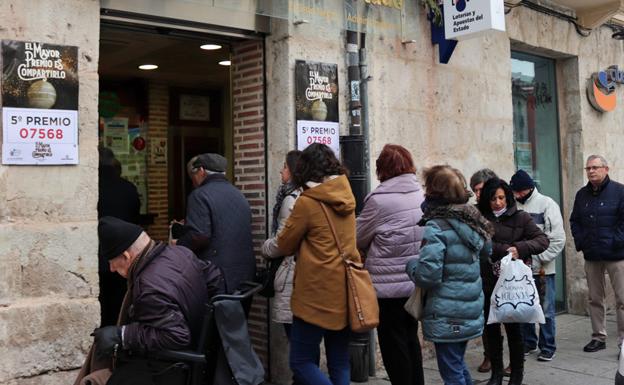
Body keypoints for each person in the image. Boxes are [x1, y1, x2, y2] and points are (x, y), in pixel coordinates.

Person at [75, 216, 222, 385]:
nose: (111, 268)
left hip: (170, 369)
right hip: (198, 354)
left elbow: (176, 336)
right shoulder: (180, 252)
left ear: (126, 256)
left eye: (112, 261)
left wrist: (122, 335)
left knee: (99, 378)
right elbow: (214, 277)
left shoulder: (149, 287)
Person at [271, 143, 356, 385]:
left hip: (315, 291)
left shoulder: (307, 202)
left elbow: (285, 244)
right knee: (339, 360)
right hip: (345, 288)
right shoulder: (347, 195)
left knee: (300, 361)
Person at [405, 165, 493, 385]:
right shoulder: (471, 219)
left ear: (434, 192)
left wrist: (411, 265)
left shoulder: (437, 225)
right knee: (457, 364)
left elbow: (428, 275)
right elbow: (486, 252)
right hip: (469, 308)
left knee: (452, 371)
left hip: (446, 311)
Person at [356, 144, 425, 385]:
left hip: (387, 287)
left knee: (393, 346)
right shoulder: (420, 194)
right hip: (415, 282)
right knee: (410, 339)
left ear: (382, 169)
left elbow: (358, 236)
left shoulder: (379, 200)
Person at [478, 177, 549, 385]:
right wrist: (503, 249)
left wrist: (520, 249)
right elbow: (481, 245)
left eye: (501, 198)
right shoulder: (480, 218)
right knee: (491, 330)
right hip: (487, 281)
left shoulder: (521, 217)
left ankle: (516, 375)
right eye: (493, 199)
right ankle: (496, 374)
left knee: (514, 331)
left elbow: (542, 240)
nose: (498, 203)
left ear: (508, 197)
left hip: (513, 285)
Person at [176, 153, 255, 295]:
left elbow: (199, 236)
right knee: (237, 317)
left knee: (214, 316)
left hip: (218, 277)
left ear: (201, 171)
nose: (193, 180)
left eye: (193, 175)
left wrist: (177, 245)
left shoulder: (199, 195)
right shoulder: (238, 194)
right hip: (245, 276)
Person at [510, 169, 566, 362]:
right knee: (524, 308)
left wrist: (539, 258)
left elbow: (558, 239)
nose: (516, 195)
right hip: (521, 268)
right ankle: (529, 342)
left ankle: (548, 346)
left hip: (543, 269)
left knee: (546, 309)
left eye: (518, 192)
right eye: (514, 192)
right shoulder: (514, 206)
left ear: (528, 189)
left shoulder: (547, 204)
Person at [570, 154, 624, 353]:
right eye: (588, 168)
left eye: (595, 167)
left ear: (606, 169)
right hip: (592, 254)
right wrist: (582, 242)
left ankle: (623, 342)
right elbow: (574, 220)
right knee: (594, 298)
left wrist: (615, 241)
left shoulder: (620, 191)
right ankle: (598, 336)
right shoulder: (581, 195)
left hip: (617, 255)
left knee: (622, 299)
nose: (591, 171)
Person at [97, 146, 141, 327]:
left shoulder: (94, 188)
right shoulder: (128, 188)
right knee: (120, 301)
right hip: (125, 254)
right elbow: (135, 218)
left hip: (97, 254)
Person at [262, 150, 302, 337]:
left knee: (297, 343)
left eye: (285, 166)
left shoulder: (290, 199)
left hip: (290, 273)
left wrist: (266, 248)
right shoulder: (307, 194)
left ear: (293, 170)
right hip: (304, 273)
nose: (281, 171)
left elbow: (282, 242)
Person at [469, 168, 498, 373]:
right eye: (475, 191)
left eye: (480, 190)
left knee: (509, 317)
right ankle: (490, 355)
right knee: (486, 316)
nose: (478, 195)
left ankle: (514, 358)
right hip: (481, 270)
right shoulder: (473, 212)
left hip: (502, 269)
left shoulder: (502, 206)